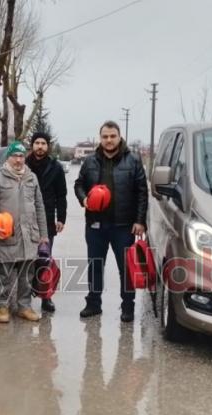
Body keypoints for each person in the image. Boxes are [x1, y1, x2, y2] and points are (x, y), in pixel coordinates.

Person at [74, 121, 148, 322]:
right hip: (95, 225)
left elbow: (142, 192)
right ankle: (93, 303)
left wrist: (140, 221)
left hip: (123, 226)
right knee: (95, 266)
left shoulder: (133, 160)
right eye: (105, 136)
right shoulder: (90, 161)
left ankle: (128, 306)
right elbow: (79, 184)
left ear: (119, 136)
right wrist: (84, 199)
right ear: (100, 138)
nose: (109, 140)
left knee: (126, 268)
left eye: (112, 136)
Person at [0, 141, 49, 323]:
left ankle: (24, 307)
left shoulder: (31, 178)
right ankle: (2, 306)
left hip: (29, 236)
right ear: (8, 157)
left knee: (27, 275)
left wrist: (43, 235)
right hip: (6, 235)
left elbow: (39, 207)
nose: (18, 160)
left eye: (21, 156)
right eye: (15, 156)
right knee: (3, 275)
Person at [25, 131, 68, 313]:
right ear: (32, 145)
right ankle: (24, 298)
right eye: (37, 143)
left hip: (47, 220)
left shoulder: (56, 167)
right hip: (25, 219)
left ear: (47, 146)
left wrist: (61, 218)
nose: (40, 146)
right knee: (25, 260)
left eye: (43, 143)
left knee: (44, 259)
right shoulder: (23, 164)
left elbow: (61, 195)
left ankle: (46, 298)